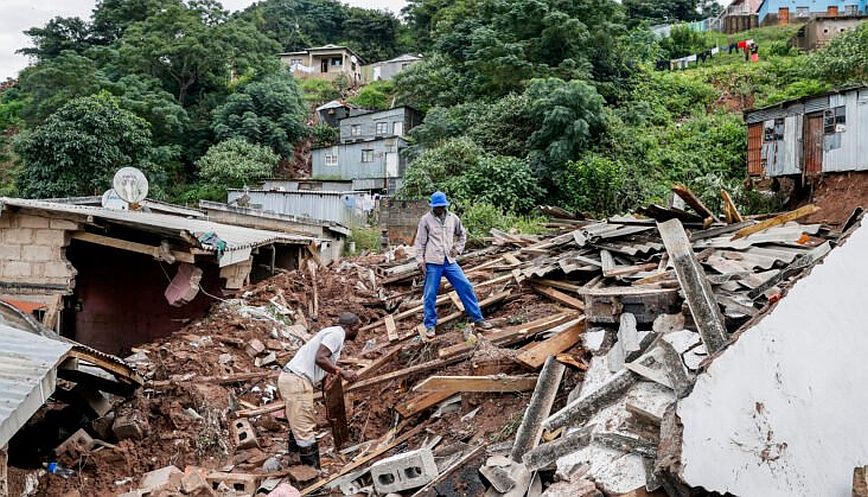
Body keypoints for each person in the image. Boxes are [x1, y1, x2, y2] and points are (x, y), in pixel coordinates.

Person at [277, 312, 361, 469]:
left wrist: (326, 396)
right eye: (358, 327)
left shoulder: (332, 334)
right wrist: (343, 372)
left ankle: (295, 459)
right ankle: (312, 473)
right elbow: (320, 358)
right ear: (352, 327)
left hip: (294, 379)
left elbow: (323, 368)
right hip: (297, 381)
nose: (358, 331)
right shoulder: (336, 335)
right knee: (304, 427)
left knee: (298, 420)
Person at [413, 191, 493, 339]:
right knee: (430, 294)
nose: (439, 209)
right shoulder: (426, 220)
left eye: (442, 206)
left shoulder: (453, 218)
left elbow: (462, 234)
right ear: (432, 206)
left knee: (466, 286)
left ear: (445, 206)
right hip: (433, 262)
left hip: (449, 261)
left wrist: (458, 248)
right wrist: (420, 261)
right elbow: (420, 242)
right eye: (437, 207)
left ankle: (478, 319)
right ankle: (430, 326)